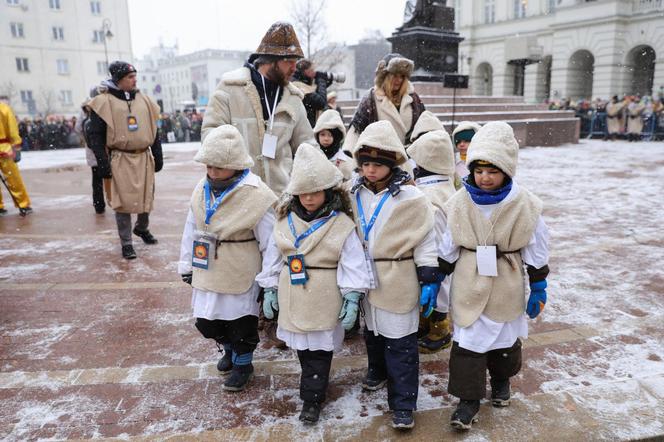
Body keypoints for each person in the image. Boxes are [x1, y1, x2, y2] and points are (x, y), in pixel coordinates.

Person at [438, 122, 550, 431]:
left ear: (507, 170)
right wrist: (435, 277)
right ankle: (468, 399)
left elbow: (535, 244)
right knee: (468, 342)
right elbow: (448, 243)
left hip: (506, 279)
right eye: (479, 171)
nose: (485, 178)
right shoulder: (459, 202)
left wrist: (538, 282)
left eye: (493, 171)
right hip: (469, 280)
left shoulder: (525, 205)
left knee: (504, 338)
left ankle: (501, 381)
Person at [261, 143, 370, 424]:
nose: (308, 198)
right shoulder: (284, 220)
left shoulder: (341, 223)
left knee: (319, 350)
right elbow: (273, 255)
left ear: (328, 191)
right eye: (303, 193)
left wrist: (353, 296)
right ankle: (313, 383)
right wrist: (270, 287)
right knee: (303, 348)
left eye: (315, 192)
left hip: (324, 294)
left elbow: (353, 260)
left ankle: (312, 398)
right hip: (293, 293)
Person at [349, 120, 440, 430]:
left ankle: (403, 403)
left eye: (377, 164)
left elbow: (426, 239)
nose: (370, 170)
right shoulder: (353, 194)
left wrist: (429, 278)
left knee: (400, 340)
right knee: (372, 330)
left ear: (391, 164)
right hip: (365, 273)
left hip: (398, 275)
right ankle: (377, 369)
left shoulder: (412, 199)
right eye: (365, 164)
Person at [179, 125, 277, 392]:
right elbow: (191, 226)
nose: (212, 173)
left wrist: (269, 280)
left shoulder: (257, 194)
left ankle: (243, 362)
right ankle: (229, 348)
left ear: (235, 165)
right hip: (207, 264)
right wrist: (186, 263)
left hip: (239, 268)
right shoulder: (202, 188)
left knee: (240, 320)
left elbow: (271, 241)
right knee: (206, 320)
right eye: (209, 167)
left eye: (218, 168)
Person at [202, 21, 315, 196]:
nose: (295, 67)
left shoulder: (293, 98)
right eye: (289, 61)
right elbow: (210, 136)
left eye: (296, 62)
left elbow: (308, 146)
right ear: (271, 60)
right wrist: (233, 171)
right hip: (237, 196)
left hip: (281, 199)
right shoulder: (229, 89)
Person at [85, 61, 164, 259]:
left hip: (143, 157)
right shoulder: (103, 102)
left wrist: (157, 152)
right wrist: (102, 162)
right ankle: (126, 242)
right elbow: (95, 135)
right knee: (123, 202)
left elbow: (155, 130)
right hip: (120, 158)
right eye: (130, 77)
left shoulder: (144, 100)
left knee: (146, 198)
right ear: (118, 80)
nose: (135, 79)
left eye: (135, 75)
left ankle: (142, 228)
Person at [406, 129, 456, 354]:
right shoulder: (446, 186)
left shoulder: (430, 194)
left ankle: (440, 330)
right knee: (438, 289)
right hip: (447, 255)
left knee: (437, 290)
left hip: (436, 256)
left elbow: (433, 235)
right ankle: (429, 323)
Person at [343, 53, 425, 153]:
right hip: (379, 159)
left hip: (409, 160)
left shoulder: (414, 98)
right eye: (394, 75)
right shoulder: (371, 98)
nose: (398, 80)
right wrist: (349, 156)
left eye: (402, 76)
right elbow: (356, 131)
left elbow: (424, 126)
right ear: (385, 76)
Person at [0, 96, 32, 216]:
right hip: (5, 149)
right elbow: (13, 131)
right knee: (13, 179)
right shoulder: (4, 109)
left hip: (4, 148)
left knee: (13, 178)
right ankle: (23, 204)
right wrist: (16, 146)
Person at [78, 86, 106, 214]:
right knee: (112, 176)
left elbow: (78, 127)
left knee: (96, 179)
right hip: (105, 148)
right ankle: (117, 202)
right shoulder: (103, 106)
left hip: (91, 149)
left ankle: (99, 205)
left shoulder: (84, 109)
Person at [313, 109, 354, 181]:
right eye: (322, 134)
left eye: (330, 135)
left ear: (336, 138)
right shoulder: (312, 157)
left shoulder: (346, 163)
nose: (326, 139)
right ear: (317, 135)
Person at [291, 58, 331, 127]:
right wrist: (321, 80)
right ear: (306, 71)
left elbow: (315, 94)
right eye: (312, 70)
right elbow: (321, 103)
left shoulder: (296, 82)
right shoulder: (299, 87)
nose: (314, 73)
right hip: (304, 129)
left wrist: (326, 82)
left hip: (302, 126)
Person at [451, 121, 482, 187]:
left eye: (467, 141)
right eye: (458, 141)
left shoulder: (482, 160)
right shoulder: (452, 160)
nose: (461, 144)